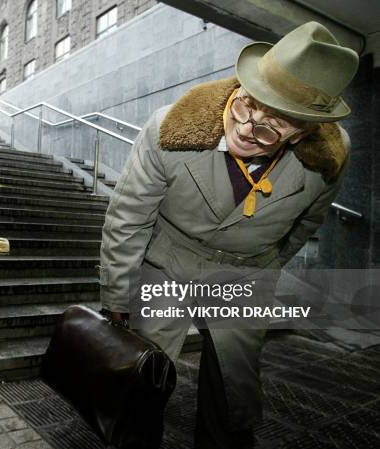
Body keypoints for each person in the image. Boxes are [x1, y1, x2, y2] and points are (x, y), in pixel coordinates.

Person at [99, 22, 359, 448]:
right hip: (167, 265)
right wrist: (117, 298)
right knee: (142, 381)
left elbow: (305, 226)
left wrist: (264, 267)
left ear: (305, 131)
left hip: (245, 275)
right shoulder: (169, 128)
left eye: (271, 128)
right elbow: (128, 217)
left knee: (233, 395)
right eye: (245, 106)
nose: (245, 129)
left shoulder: (332, 156)